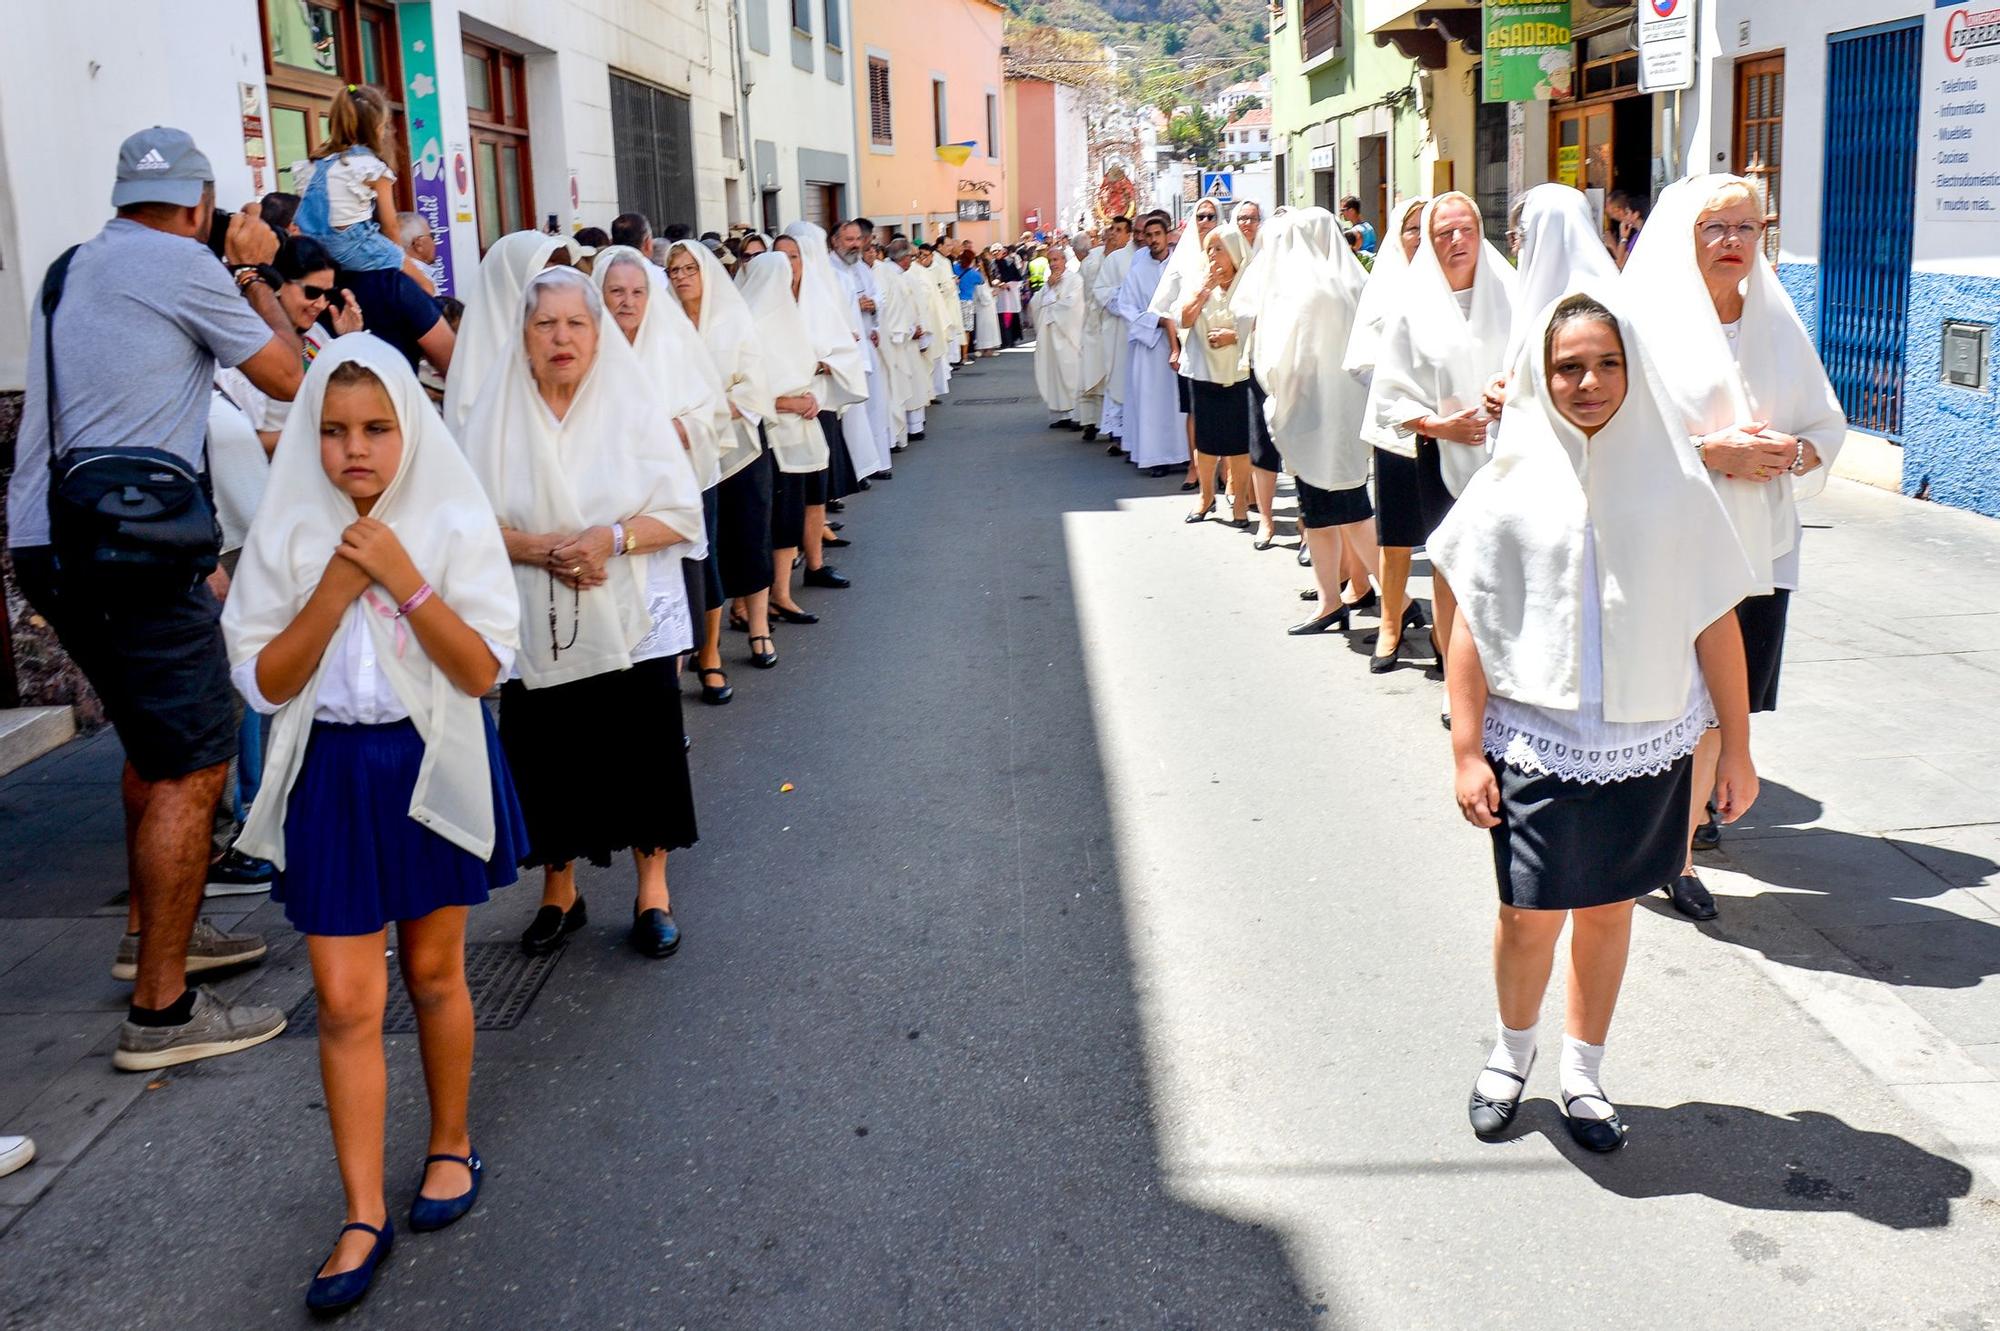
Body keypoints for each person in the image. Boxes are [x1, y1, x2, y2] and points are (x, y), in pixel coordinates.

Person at [221, 335, 526, 1311]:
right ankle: (359, 1208)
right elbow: (265, 680)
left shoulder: (446, 511)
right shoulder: (290, 524)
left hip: (427, 757)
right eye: (334, 430)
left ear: (410, 430)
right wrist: (337, 586)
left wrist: (401, 574)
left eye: (377, 429)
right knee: (347, 1001)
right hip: (332, 773)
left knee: (436, 973)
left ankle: (448, 1139)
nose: (355, 449)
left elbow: (482, 669)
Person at [1432, 291, 1760, 1153]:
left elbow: (1714, 621)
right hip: (1534, 743)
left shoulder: (1676, 481)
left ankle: (1583, 1073)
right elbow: (1469, 618)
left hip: (1645, 744)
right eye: (1568, 366)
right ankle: (1511, 1055)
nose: (1588, 381)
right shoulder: (1508, 484)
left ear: (1631, 369)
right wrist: (1467, 749)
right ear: (1542, 378)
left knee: (1611, 910)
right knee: (1526, 915)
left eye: (1606, 363)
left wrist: (1739, 747)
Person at [7, 127, 302, 1070]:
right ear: (201, 205)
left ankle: (150, 937)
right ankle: (163, 1012)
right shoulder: (186, 263)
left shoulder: (70, 265)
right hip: (130, 544)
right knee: (196, 759)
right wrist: (254, 271)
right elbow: (293, 375)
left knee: (150, 743)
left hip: (48, 540)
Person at [463, 267, 705, 960]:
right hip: (536, 613)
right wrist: (534, 547)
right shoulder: (495, 412)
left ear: (598, 335)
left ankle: (652, 889)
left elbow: (681, 513)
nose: (561, 337)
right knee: (546, 750)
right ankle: (558, 891)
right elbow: (462, 522)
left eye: (576, 323)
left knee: (643, 745)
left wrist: (612, 538)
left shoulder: (630, 404)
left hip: (629, 611)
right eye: (546, 324)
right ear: (525, 336)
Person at [1622, 174, 1846, 920]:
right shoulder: (1645, 322)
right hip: (1671, 545)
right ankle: (1649, 835)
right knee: (1667, 701)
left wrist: (1794, 452)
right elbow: (1616, 435)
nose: (1732, 243)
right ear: (1686, 234)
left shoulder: (1775, 322)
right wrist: (1709, 451)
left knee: (1722, 707)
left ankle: (1679, 853)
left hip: (1758, 547)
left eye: (1748, 228)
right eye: (1716, 227)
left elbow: (1825, 425)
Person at [1363, 192, 1516, 698]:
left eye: (1466, 229)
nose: (1457, 241)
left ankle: (1502, 679)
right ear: (1429, 242)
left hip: (1510, 456)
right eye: (1444, 232)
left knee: (1503, 571)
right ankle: (1458, 683)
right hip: (1441, 456)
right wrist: (1438, 425)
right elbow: (1392, 393)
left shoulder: (1512, 293)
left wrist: (1508, 395)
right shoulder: (1413, 307)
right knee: (1450, 571)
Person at [591, 246, 732, 709]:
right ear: (599, 293)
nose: (627, 301)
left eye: (637, 291)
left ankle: (666, 701)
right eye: (616, 291)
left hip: (669, 499)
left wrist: (673, 429)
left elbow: (709, 413)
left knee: (671, 601)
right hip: (605, 504)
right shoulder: (584, 347)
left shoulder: (673, 343)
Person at [1242, 209, 1382, 634]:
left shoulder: (1310, 293)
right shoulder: (1352, 282)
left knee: (1343, 514)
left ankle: (1397, 599)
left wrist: (1276, 395)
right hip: (1345, 418)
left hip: (1314, 419)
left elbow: (1288, 364)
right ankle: (1334, 599)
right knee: (1327, 514)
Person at [668, 237, 778, 676]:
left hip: (738, 443)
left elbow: (755, 381)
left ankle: (757, 625)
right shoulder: (667, 322)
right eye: (674, 271)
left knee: (749, 533)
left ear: (706, 272)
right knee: (706, 544)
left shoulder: (733, 318)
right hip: (691, 451)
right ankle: (701, 637)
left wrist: (714, 408)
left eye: (689, 269)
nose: (682, 278)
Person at [1344, 197, 1430, 669]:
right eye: (1411, 228)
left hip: (1454, 431)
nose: (1419, 236)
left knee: (1447, 539)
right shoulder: (1386, 286)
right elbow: (1361, 358)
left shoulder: (1464, 285)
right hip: (1400, 428)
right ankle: (1391, 623)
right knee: (1396, 534)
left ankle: (1449, 638)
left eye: (1426, 226)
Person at [740, 249, 840, 644]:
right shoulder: (750, 324)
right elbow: (746, 387)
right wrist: (789, 402)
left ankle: (780, 593)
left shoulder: (789, 317)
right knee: (768, 520)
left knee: (789, 515)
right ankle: (749, 603)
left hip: (797, 427)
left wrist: (809, 394)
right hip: (767, 434)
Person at [780, 223, 873, 587]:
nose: (789, 265)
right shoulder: (768, 299)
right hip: (784, 408)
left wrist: (818, 363)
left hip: (820, 401)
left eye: (795, 257)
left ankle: (816, 563)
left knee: (817, 486)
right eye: (782, 257)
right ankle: (783, 572)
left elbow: (844, 344)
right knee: (788, 491)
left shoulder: (819, 297)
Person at [291, 86, 435, 294]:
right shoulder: (370, 167)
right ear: (376, 125)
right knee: (426, 286)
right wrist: (397, 260)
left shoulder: (311, 166)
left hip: (315, 248)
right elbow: (390, 226)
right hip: (354, 246)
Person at [443, 230, 579, 430]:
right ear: (510, 284)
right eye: (542, 278)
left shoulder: (570, 342)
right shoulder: (477, 368)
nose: (553, 290)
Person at [1178, 224, 1257, 525]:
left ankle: (1239, 504)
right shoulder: (1199, 280)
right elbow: (1184, 319)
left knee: (1239, 443)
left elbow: (1262, 322)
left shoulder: (1251, 282)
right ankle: (1206, 496)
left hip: (1241, 374)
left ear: (1235, 252)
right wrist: (1203, 292)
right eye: (1209, 248)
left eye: (1219, 248)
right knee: (1207, 442)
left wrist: (1232, 336)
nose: (1212, 255)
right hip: (1205, 372)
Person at [1108, 213, 1186, 478]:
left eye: (1157, 235)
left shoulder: (1180, 267)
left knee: (1178, 403)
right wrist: (1158, 322)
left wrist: (1177, 324)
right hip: (1150, 346)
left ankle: (1183, 454)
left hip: (1180, 344)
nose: (1153, 240)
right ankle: (1155, 458)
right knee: (1152, 403)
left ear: (1167, 237)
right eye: (1149, 236)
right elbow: (1126, 307)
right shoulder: (1137, 271)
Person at [1152, 200, 1222, 489]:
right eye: (1200, 215)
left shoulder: (1230, 249)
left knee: (1226, 410)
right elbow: (1168, 308)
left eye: (1211, 216)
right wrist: (1175, 348)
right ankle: (1195, 469)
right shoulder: (1183, 258)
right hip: (1191, 346)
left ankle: (1226, 472)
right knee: (1194, 410)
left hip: (1226, 347)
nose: (1205, 220)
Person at [1091, 216, 1136, 447]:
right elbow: (1100, 289)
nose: (1116, 234)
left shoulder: (1150, 258)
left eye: (1121, 230)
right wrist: (1123, 300)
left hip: (1146, 330)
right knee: (1119, 377)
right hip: (1119, 329)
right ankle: (1117, 432)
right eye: (1114, 229)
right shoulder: (1114, 259)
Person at [1033, 243, 1086, 429]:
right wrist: (1048, 289)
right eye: (1050, 261)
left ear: (1064, 260)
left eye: (1056, 260)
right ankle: (1063, 414)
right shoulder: (1048, 282)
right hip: (1050, 335)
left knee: (1070, 373)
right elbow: (1035, 304)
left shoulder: (1075, 280)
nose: (1053, 264)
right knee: (1055, 374)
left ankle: (1076, 415)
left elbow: (1072, 306)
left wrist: (1051, 304)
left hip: (1067, 335)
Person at [1607, 189, 1647, 266]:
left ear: (1636, 214)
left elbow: (1620, 265)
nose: (1624, 216)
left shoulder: (1639, 237)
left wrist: (1621, 239)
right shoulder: (1636, 235)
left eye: (1627, 212)